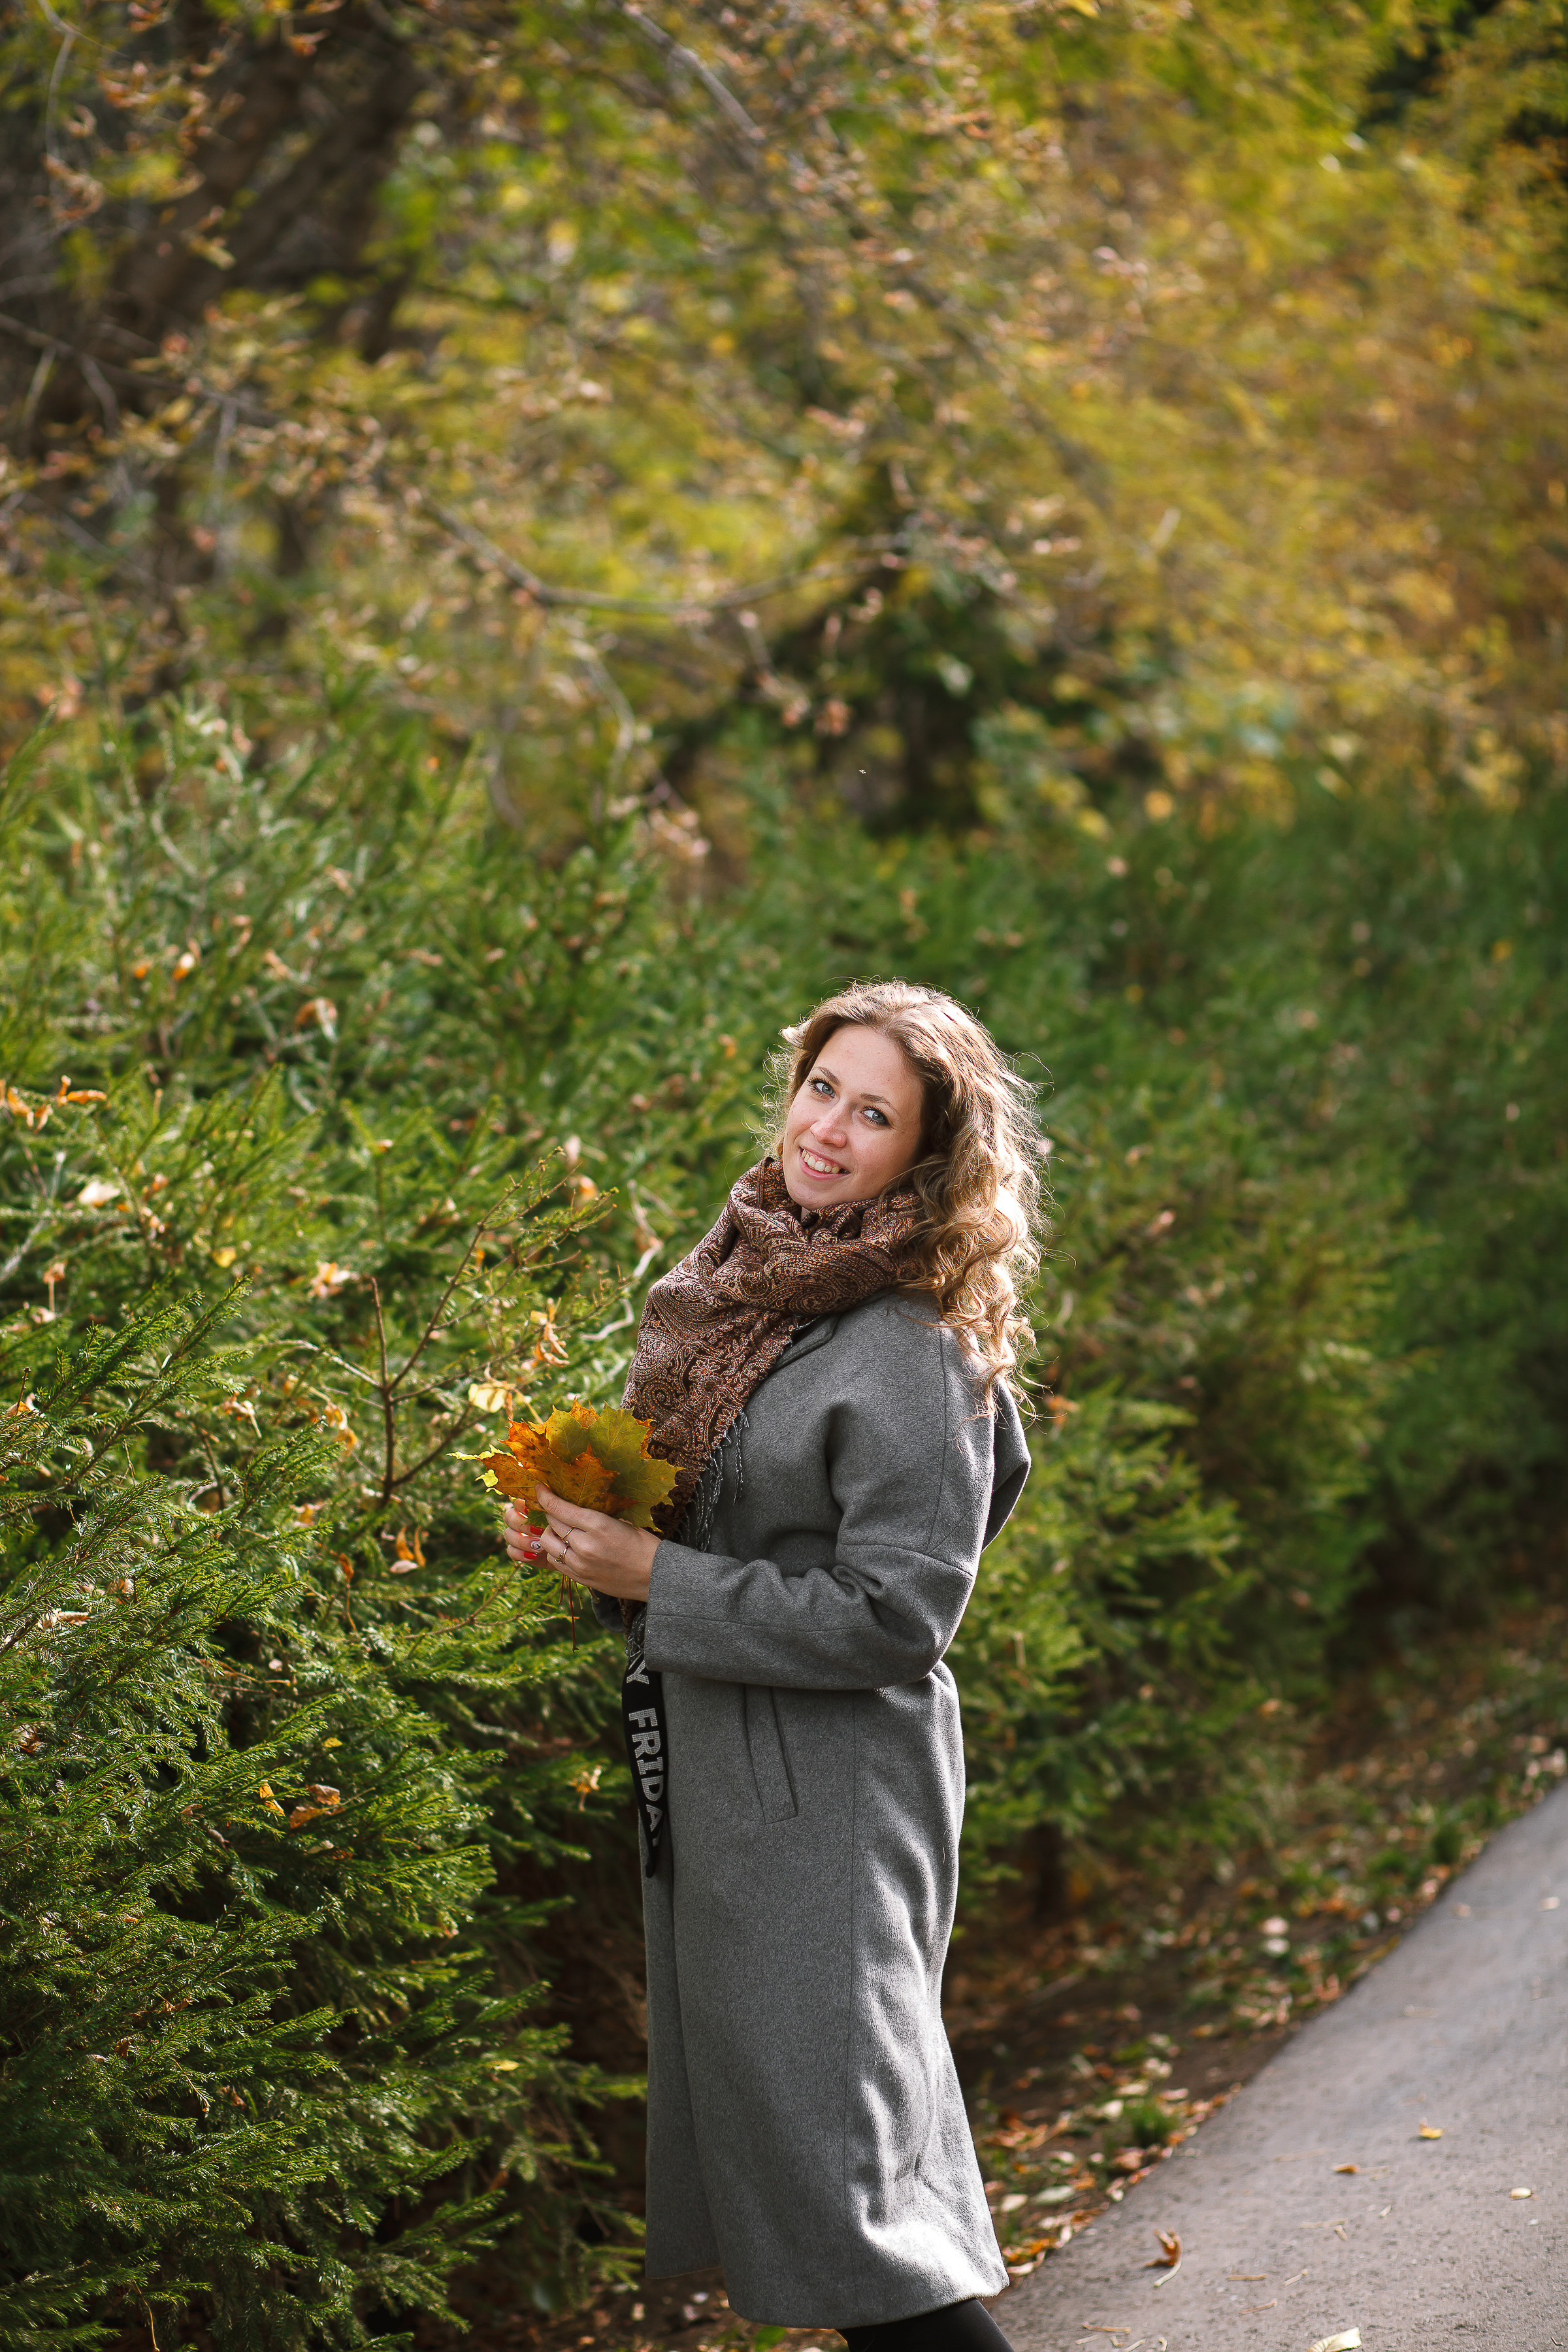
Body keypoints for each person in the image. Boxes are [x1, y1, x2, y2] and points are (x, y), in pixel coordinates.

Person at [503, 979, 1043, 2351]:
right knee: (826, 2198)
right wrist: (589, 1535)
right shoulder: (742, 1290)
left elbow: (898, 1614)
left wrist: (657, 1579)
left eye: (876, 1114)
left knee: (854, 2213)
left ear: (928, 1155)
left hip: (836, 1805)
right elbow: (705, 1518)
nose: (830, 1130)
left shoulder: (911, 1342)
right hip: (730, 1782)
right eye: (822, 1088)